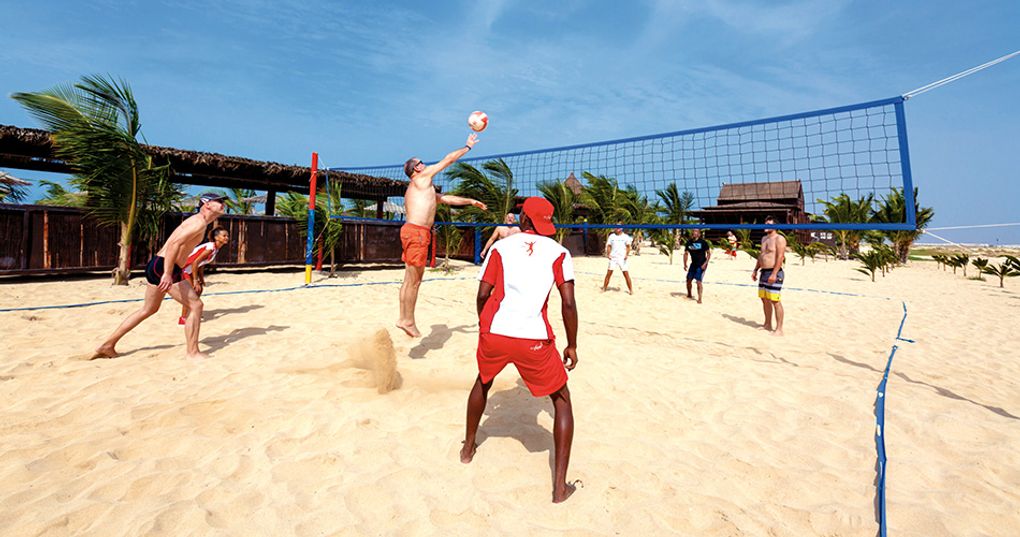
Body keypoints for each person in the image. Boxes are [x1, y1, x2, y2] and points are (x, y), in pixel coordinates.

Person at [461, 196, 579, 504]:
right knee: (562, 400)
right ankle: (559, 488)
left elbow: (482, 294)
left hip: (496, 331)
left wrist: (484, 325)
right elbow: (568, 303)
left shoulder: (501, 247)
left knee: (483, 381)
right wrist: (572, 344)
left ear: (523, 219)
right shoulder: (560, 252)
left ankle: (468, 449)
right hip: (533, 337)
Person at [92, 192, 227, 359]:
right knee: (196, 306)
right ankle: (192, 353)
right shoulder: (198, 222)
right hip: (165, 267)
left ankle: (107, 345)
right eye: (219, 201)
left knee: (148, 309)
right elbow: (174, 245)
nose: (223, 204)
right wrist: (168, 274)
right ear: (207, 204)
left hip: (157, 264)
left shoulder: (199, 222)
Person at [397, 134, 487, 337]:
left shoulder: (422, 188)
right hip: (417, 233)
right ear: (416, 168)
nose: (424, 164)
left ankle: (403, 318)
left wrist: (471, 201)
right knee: (414, 281)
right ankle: (407, 320)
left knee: (409, 279)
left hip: (412, 232)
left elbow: (447, 199)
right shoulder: (421, 178)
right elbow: (448, 160)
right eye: (421, 162)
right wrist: (467, 147)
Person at [178, 227, 230, 325]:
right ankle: (183, 318)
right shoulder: (210, 248)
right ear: (216, 237)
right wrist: (195, 280)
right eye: (224, 236)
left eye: (227, 235)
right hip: (183, 269)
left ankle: (192, 311)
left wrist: (201, 278)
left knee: (199, 289)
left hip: (189, 270)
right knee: (191, 293)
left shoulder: (215, 248)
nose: (227, 237)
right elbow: (195, 262)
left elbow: (201, 264)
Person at [752, 216, 787, 336]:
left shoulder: (779, 238)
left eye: (769, 224)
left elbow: (780, 257)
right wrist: (755, 269)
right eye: (765, 223)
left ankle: (779, 329)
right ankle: (767, 324)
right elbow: (761, 256)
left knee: (775, 300)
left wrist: (774, 273)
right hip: (764, 272)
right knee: (765, 299)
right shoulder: (764, 239)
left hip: (774, 272)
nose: (765, 225)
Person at [601, 225, 633, 294]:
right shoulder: (612, 236)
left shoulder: (625, 237)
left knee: (626, 274)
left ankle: (631, 290)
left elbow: (628, 246)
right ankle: (604, 288)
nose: (616, 229)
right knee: (609, 273)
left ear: (621, 229)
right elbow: (609, 245)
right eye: (616, 227)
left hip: (622, 258)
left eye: (618, 228)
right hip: (613, 257)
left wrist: (626, 255)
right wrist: (608, 254)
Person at [683, 228, 712, 303]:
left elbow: (708, 253)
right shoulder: (689, 242)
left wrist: (705, 263)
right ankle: (689, 294)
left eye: (696, 231)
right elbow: (686, 254)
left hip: (701, 264)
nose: (694, 233)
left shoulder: (703, 242)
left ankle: (700, 298)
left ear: (699, 234)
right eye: (693, 231)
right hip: (693, 264)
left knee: (698, 281)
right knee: (688, 280)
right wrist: (685, 264)